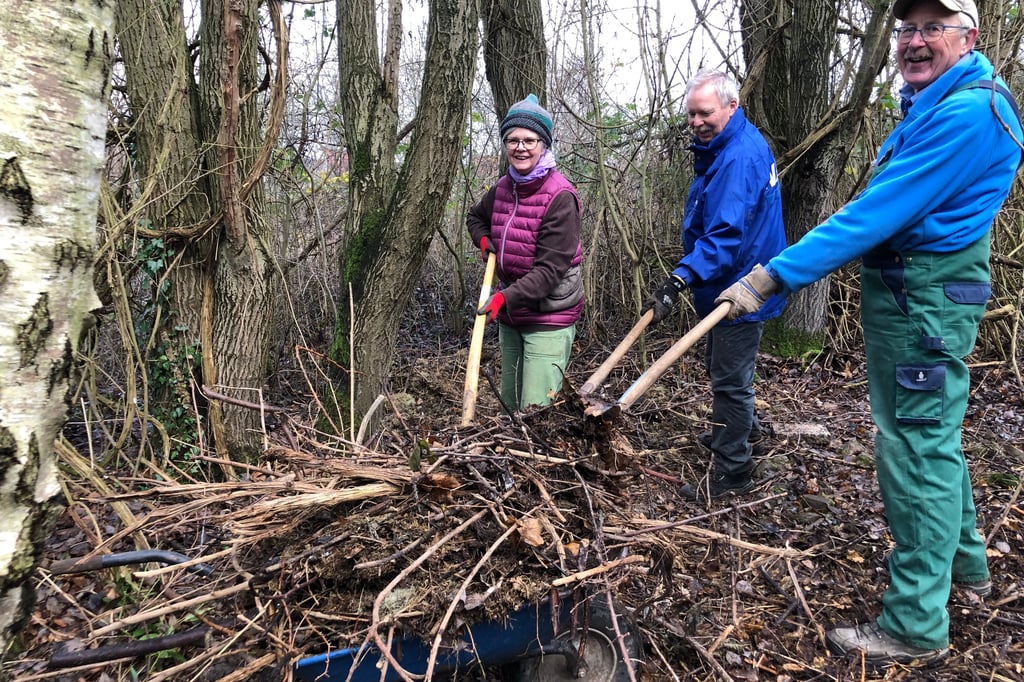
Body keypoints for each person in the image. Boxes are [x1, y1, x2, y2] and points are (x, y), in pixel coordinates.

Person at [717, 0, 1022, 668]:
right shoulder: (938, 103)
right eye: (906, 29)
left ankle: (916, 622)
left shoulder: (969, 112)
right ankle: (967, 573)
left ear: (968, 37)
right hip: (917, 292)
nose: (914, 41)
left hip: (925, 301)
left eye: (931, 29)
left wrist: (773, 276)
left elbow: (876, 212)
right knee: (933, 436)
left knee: (914, 446)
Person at [642, 69, 787, 501]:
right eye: (691, 114)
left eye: (704, 113)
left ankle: (734, 469)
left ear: (731, 106)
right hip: (727, 279)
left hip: (741, 287)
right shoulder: (725, 145)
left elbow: (725, 236)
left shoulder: (739, 158)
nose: (696, 122)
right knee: (724, 369)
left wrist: (679, 277)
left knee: (729, 380)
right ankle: (743, 433)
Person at [466, 94, 584, 411]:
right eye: (513, 139)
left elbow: (548, 272)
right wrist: (483, 241)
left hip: (549, 315)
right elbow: (475, 217)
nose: (521, 147)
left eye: (530, 140)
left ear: (544, 144)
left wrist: (503, 298)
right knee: (510, 406)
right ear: (505, 144)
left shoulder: (560, 197)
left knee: (536, 412)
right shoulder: (505, 187)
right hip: (513, 315)